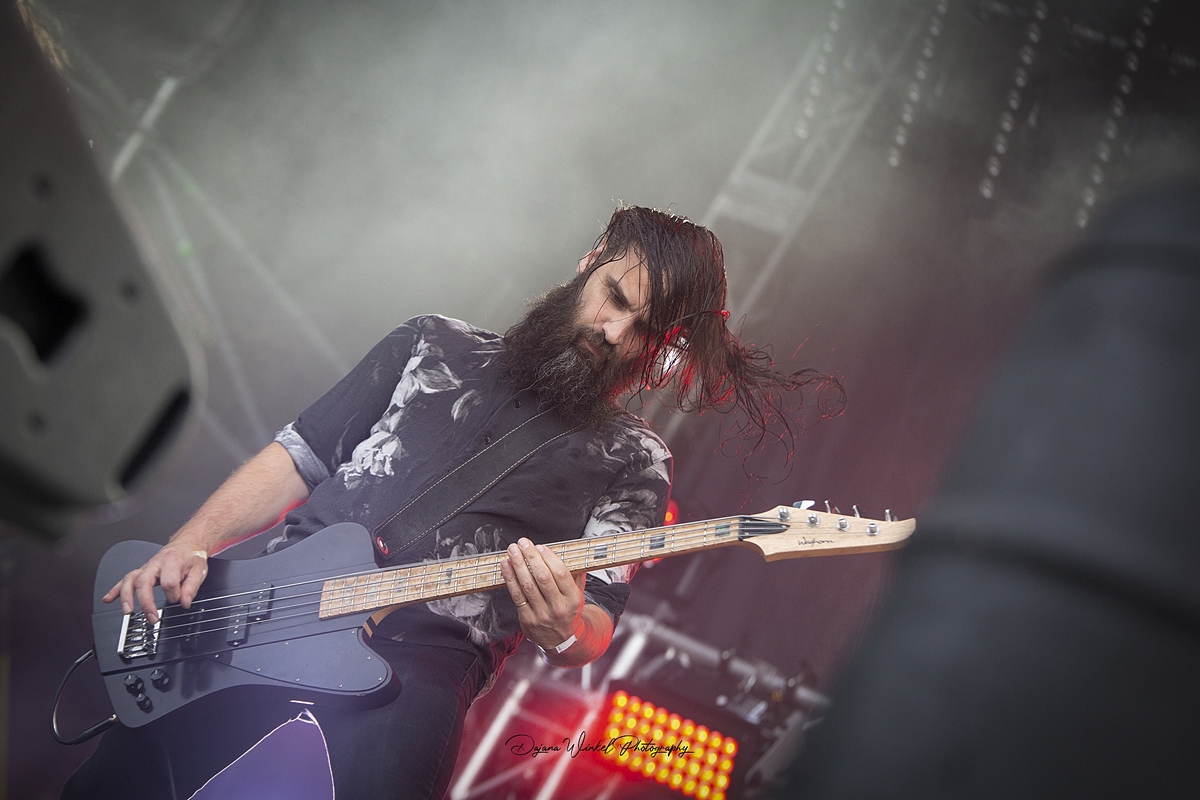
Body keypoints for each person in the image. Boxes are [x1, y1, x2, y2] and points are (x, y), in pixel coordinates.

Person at [62, 205, 834, 800]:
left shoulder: (635, 461)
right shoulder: (432, 343)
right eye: (614, 297)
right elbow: (297, 456)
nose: (613, 331)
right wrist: (190, 543)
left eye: (643, 329)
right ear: (591, 259)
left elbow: (595, 623)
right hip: (271, 603)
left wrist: (563, 629)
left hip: (423, 663)